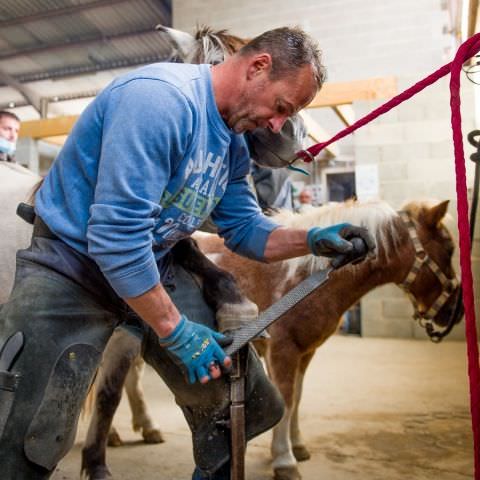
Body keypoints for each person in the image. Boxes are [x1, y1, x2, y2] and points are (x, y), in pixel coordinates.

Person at [0, 26, 375, 479]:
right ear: (258, 66)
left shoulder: (233, 142)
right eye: (281, 108)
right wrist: (175, 330)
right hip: (72, 266)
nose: (277, 126)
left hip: (154, 259)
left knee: (242, 406)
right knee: (26, 437)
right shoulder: (160, 102)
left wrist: (311, 240)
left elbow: (244, 229)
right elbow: (116, 238)